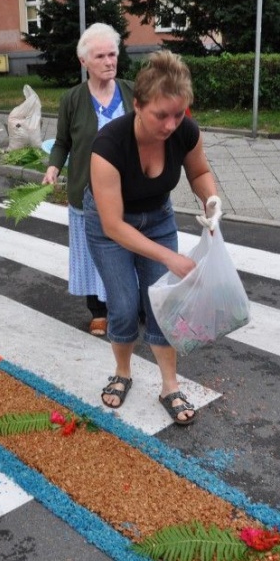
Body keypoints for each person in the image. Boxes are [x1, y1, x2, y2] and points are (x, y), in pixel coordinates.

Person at [83, 50, 221, 426]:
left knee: (162, 304)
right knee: (125, 305)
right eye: (162, 115)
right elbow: (113, 226)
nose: (171, 124)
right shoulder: (108, 146)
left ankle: (169, 385)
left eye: (179, 114)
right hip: (111, 225)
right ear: (139, 106)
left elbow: (199, 171)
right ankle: (123, 372)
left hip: (157, 216)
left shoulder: (184, 132)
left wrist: (211, 201)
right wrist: (168, 257)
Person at [42, 23, 135, 337]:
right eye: (101, 56)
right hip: (87, 193)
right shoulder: (72, 99)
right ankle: (98, 310)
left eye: (113, 54)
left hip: (129, 191)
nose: (109, 61)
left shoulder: (132, 92)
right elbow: (62, 143)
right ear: (84, 62)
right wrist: (54, 168)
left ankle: (130, 305)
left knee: (129, 249)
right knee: (91, 254)